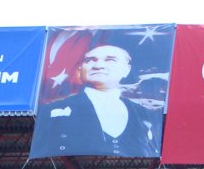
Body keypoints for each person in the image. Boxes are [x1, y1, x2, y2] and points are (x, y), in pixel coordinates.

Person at [31, 44, 163, 158]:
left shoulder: (144, 114)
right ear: (80, 69)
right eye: (90, 60)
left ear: (126, 70)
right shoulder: (52, 111)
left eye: (110, 60)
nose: (98, 65)